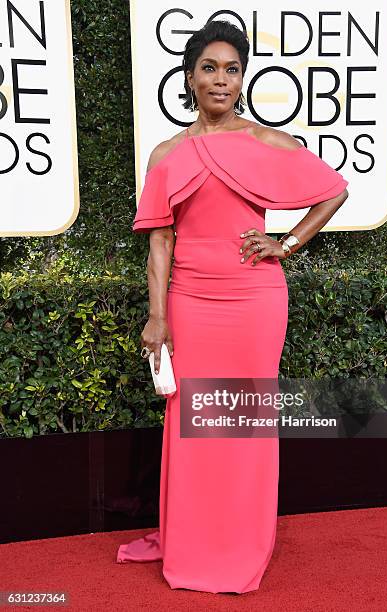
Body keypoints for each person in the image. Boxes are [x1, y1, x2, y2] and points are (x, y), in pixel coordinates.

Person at [117, 20, 349, 594]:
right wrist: (157, 315)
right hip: (190, 302)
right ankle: (193, 542)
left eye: (232, 69)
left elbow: (334, 191)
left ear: (242, 79)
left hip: (254, 299)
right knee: (193, 422)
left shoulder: (268, 141)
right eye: (210, 68)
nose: (222, 79)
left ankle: (241, 545)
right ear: (189, 78)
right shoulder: (166, 154)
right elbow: (160, 241)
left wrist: (287, 243)